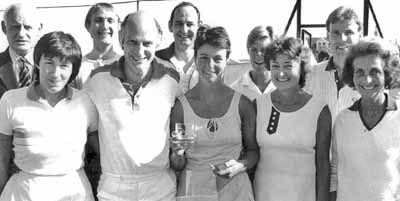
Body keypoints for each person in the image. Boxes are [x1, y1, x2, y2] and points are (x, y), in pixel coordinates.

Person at [84, 11, 179, 201]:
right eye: (133, 42)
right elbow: (87, 128)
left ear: (159, 40)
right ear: (121, 39)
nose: (140, 51)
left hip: (160, 187)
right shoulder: (96, 80)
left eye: (147, 43)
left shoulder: (172, 79)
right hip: (113, 188)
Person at [0, 31, 98, 201]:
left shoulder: (85, 101)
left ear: (73, 69)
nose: (54, 73)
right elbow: (1, 158)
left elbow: (102, 151)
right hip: (23, 193)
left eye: (64, 66)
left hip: (75, 193)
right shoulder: (11, 100)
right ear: (37, 62)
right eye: (49, 63)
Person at [169, 25, 258, 201]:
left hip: (236, 189)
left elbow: (254, 151)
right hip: (193, 191)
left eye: (217, 58)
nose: (210, 65)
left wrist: (240, 165)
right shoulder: (180, 107)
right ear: (195, 58)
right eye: (203, 57)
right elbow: (177, 165)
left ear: (227, 60)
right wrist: (177, 154)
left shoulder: (243, 105)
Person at [253, 37, 331, 201]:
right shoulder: (257, 106)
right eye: (275, 66)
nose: (281, 73)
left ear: (302, 67)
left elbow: (323, 167)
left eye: (288, 66)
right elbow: (251, 157)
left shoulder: (320, 110)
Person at [330, 38, 400, 201]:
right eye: (360, 72)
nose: (367, 80)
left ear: (387, 74)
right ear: (351, 76)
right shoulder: (342, 121)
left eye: (375, 71)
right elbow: (335, 171)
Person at [305, 6, 362, 122]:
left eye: (349, 32)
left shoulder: (370, 78)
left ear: (359, 36)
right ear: (328, 36)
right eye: (336, 33)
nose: (342, 38)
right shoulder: (310, 75)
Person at [71, 2, 121, 89]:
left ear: (118, 26)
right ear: (88, 26)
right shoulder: (77, 68)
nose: (105, 26)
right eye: (99, 20)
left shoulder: (126, 65)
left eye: (110, 21)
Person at [156, 1, 201, 95]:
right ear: (170, 26)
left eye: (189, 24)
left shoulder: (207, 62)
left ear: (199, 26)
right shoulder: (155, 61)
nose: (184, 30)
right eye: (179, 24)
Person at [0, 2, 42, 97]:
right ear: (4, 27)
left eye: (28, 27)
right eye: (15, 27)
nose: (21, 34)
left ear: (39, 29)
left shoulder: (54, 66)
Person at [231, 25, 276, 100]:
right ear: (248, 51)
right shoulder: (235, 90)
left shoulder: (283, 87)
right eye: (254, 49)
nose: (258, 54)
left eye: (263, 50)